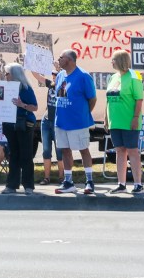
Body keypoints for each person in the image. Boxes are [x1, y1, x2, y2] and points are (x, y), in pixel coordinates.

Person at [55, 49, 98, 195]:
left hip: (78, 122)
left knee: (83, 149)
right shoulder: (60, 75)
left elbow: (92, 99)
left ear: (71, 60)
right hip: (61, 121)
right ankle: (68, 182)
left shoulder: (83, 76)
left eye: (62, 57)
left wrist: (84, 114)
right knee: (65, 151)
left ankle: (89, 181)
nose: (59, 59)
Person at [105, 49, 143, 194]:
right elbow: (108, 99)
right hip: (115, 121)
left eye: (113, 59)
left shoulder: (134, 76)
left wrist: (135, 118)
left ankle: (138, 184)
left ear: (120, 61)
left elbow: (139, 99)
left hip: (129, 120)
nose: (111, 62)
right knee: (119, 151)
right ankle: (121, 184)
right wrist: (106, 118)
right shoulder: (113, 77)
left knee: (132, 151)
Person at [0, 63, 39, 195]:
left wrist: (22, 104)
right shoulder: (4, 88)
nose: (5, 76)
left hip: (24, 124)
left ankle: (28, 186)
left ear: (14, 74)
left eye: (7, 73)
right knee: (13, 154)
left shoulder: (25, 89)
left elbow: (34, 107)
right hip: (10, 124)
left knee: (26, 155)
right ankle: (11, 185)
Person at [32, 67, 65, 185]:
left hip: (58, 122)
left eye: (56, 75)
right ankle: (47, 177)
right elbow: (37, 76)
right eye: (53, 75)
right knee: (46, 150)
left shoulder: (64, 87)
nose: (54, 77)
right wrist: (31, 63)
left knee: (59, 150)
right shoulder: (50, 84)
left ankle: (62, 177)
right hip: (46, 121)